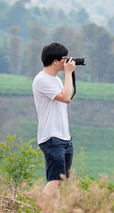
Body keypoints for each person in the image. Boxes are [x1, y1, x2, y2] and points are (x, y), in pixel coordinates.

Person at [32, 42, 76, 212]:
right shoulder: (42, 80)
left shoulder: (56, 79)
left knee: (59, 181)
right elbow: (66, 97)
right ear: (56, 61)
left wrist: (67, 135)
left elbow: (67, 97)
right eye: (65, 59)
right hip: (51, 137)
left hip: (64, 137)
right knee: (54, 179)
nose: (67, 62)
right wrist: (69, 73)